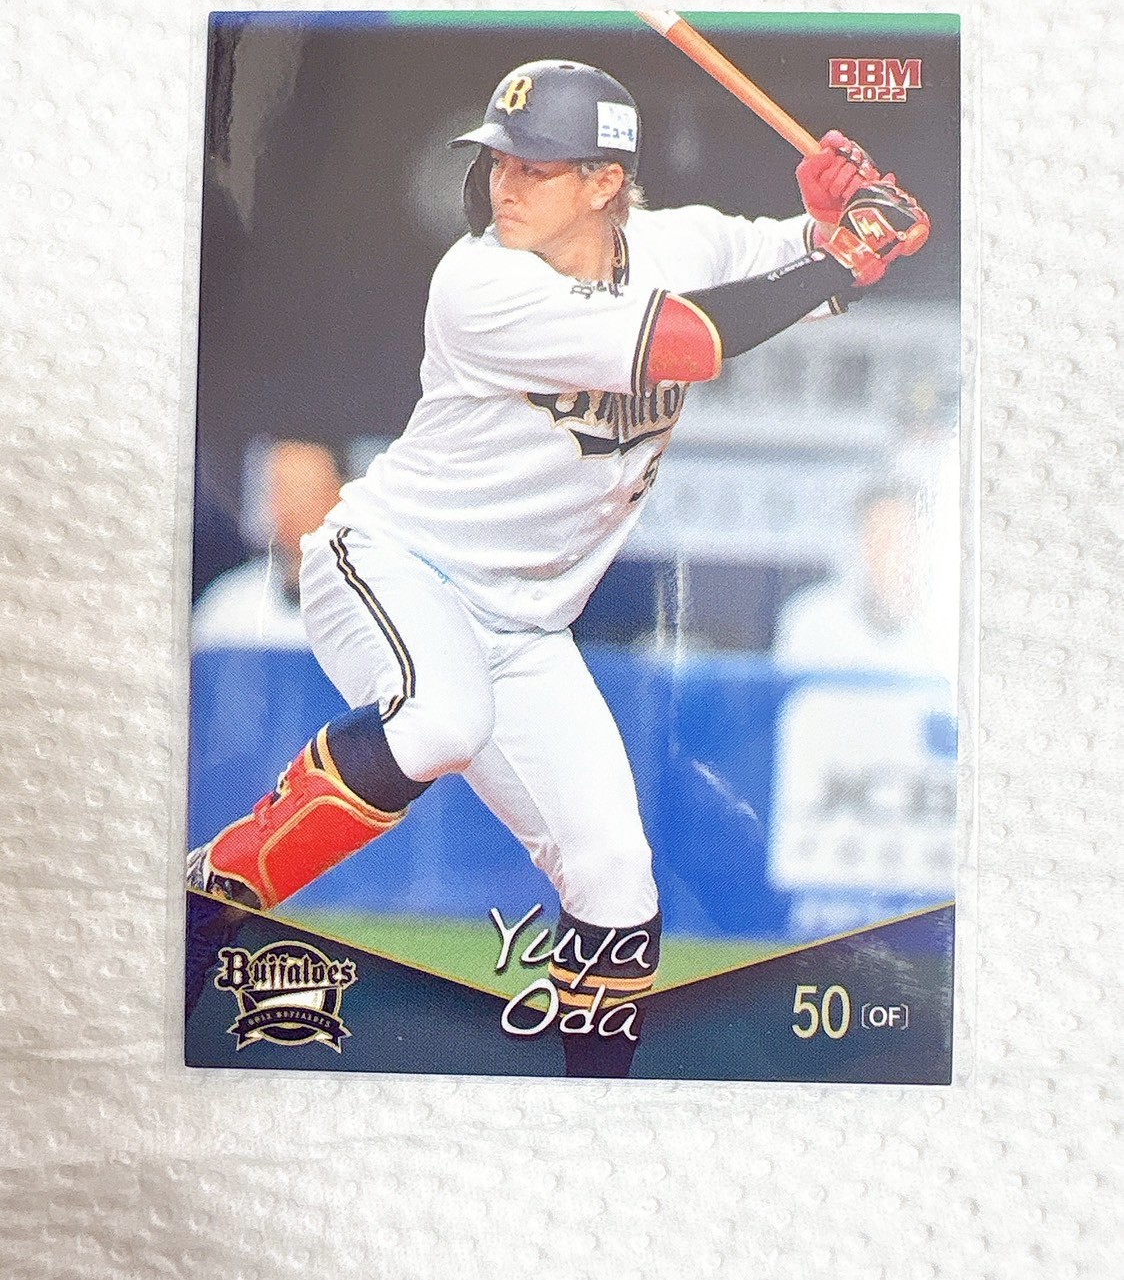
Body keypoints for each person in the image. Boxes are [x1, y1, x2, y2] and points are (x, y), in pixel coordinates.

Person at [187, 58, 929, 1076]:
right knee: (443, 718)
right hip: (395, 567)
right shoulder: (479, 282)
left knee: (616, 875)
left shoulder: (682, 242)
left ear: (603, 180)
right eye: (500, 161)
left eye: (536, 166)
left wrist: (854, 220)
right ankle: (214, 891)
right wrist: (841, 257)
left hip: (526, 627)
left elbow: (819, 266)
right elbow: (693, 342)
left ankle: (595, 1095)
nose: (506, 183)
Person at [192, 440, 344, 648]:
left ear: (337, 497)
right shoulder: (232, 602)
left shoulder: (374, 597)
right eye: (280, 491)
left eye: (303, 492)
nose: (289, 507)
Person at [772, 481, 934, 675]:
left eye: (906, 539)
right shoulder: (814, 619)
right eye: (882, 539)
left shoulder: (946, 626)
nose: (894, 554)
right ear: (860, 544)